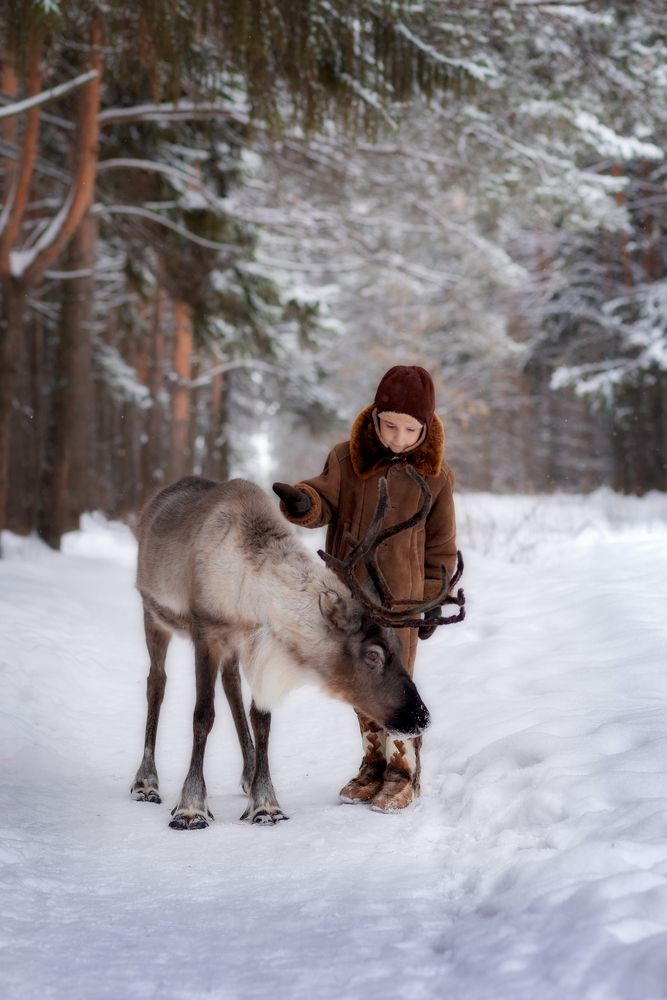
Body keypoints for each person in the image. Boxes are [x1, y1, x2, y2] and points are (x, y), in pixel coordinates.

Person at [272, 364, 457, 812]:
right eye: (389, 425)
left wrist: (433, 600)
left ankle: (404, 771)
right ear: (375, 417)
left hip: (404, 601)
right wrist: (304, 502)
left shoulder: (436, 477)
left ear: (425, 427)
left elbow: (441, 545)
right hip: (351, 598)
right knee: (362, 681)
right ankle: (374, 763)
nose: (396, 438)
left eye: (408, 429)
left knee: (397, 682)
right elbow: (321, 498)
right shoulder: (346, 460)